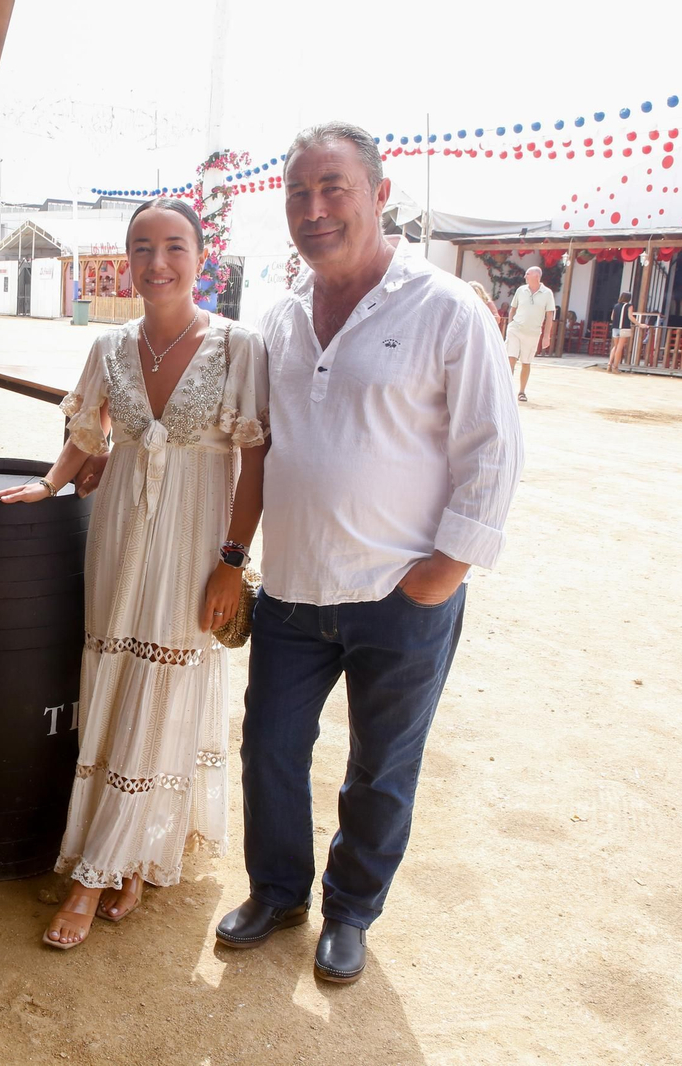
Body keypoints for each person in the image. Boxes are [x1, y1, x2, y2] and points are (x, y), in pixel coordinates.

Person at [214, 122, 522, 983]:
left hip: (400, 595)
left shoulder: (445, 308)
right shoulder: (278, 318)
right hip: (294, 592)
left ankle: (351, 913)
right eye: (298, 195)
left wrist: (443, 573)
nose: (314, 211)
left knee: (380, 769)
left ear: (380, 195)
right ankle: (277, 892)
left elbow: (493, 449)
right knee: (268, 749)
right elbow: (258, 445)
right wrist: (236, 556)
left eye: (333, 189)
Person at [0, 197, 269, 950]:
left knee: (166, 682)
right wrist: (50, 485)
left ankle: (94, 872)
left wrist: (232, 565)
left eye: (174, 246)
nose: (157, 262)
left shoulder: (240, 346)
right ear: (125, 260)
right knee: (115, 683)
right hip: (119, 532)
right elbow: (87, 433)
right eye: (141, 247)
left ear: (200, 257)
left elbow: (255, 464)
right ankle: (137, 848)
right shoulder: (111, 346)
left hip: (195, 540)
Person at [504, 265, 555, 402]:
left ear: (536, 276)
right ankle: (506, 390)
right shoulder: (521, 290)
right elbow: (512, 309)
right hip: (516, 329)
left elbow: (550, 315)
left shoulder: (547, 293)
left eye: (527, 274)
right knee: (511, 358)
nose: (525, 276)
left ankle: (521, 391)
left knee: (526, 363)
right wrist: (510, 325)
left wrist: (546, 335)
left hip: (533, 333)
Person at [607, 293, 635, 373]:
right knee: (620, 347)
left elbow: (612, 317)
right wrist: (639, 324)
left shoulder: (616, 306)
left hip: (615, 328)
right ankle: (615, 367)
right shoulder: (629, 306)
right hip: (624, 328)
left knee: (615, 346)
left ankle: (609, 364)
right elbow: (630, 317)